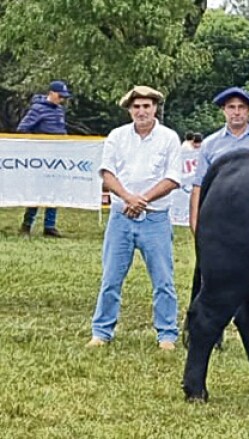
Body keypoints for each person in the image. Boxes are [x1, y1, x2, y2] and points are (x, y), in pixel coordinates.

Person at [86, 86, 182, 350]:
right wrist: (129, 198)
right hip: (121, 217)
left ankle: (167, 335)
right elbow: (107, 173)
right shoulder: (117, 136)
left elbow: (173, 177)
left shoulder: (169, 138)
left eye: (146, 106)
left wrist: (143, 200)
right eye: (136, 107)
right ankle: (101, 332)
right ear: (129, 109)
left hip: (156, 219)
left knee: (163, 280)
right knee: (110, 278)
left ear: (155, 108)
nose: (141, 111)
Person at [189, 87, 249, 233]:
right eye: (231, 107)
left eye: (241, 107)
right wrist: (195, 223)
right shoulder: (210, 145)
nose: (236, 112)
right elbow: (199, 186)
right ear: (223, 110)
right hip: (220, 215)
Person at [17, 80, 72, 238]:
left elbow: (60, 130)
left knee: (55, 191)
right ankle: (26, 225)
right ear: (51, 93)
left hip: (57, 157)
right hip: (42, 157)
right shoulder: (37, 109)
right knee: (38, 191)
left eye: (64, 97)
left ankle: (50, 226)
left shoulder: (59, 110)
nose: (61, 99)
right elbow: (22, 128)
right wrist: (38, 144)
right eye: (60, 96)